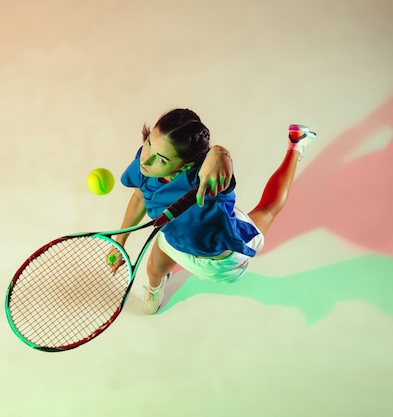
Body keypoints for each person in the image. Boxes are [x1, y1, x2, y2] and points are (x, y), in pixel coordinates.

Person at [112, 108, 316, 314]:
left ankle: (295, 145)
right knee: (153, 271)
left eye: (162, 159)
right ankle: (155, 288)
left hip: (218, 260)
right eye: (149, 144)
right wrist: (120, 243)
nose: (146, 160)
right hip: (172, 239)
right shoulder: (145, 165)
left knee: (268, 209)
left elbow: (220, 165)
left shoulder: (208, 179)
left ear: (185, 166)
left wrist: (220, 152)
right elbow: (139, 196)